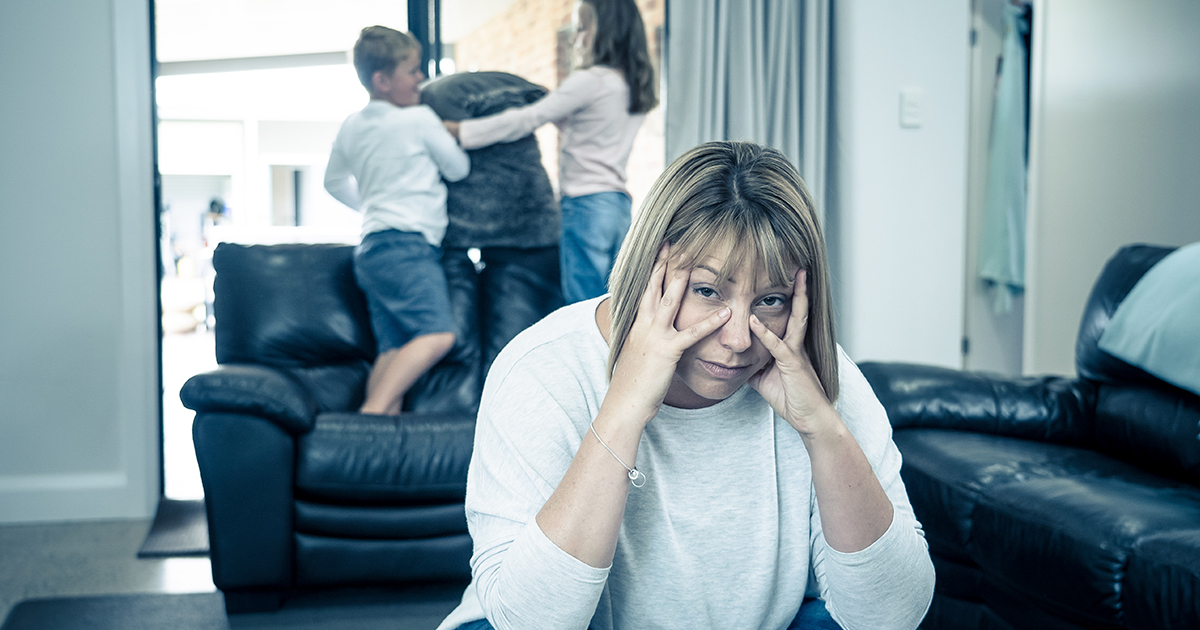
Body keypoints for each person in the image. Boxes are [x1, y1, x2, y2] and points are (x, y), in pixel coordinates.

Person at [435, 141, 935, 630]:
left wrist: (824, 431)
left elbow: (890, 619)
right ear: (648, 272)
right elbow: (531, 622)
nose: (739, 339)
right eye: (707, 291)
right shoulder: (544, 369)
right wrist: (625, 409)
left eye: (771, 300)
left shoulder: (818, 376)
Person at [443, 0, 657, 305]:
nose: (576, 37)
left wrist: (461, 131)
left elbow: (526, 118)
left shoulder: (590, 80)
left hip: (584, 206)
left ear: (608, 31)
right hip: (617, 205)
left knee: (584, 306)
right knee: (616, 304)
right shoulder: (633, 86)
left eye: (583, 27)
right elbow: (591, 133)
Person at [324, 26, 470, 415]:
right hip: (408, 246)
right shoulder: (419, 119)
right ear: (382, 80)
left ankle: (371, 449)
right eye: (412, 70)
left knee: (391, 350)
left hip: (372, 247)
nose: (421, 78)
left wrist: (374, 204)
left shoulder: (351, 125)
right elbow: (458, 169)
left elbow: (333, 182)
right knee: (438, 335)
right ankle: (369, 417)